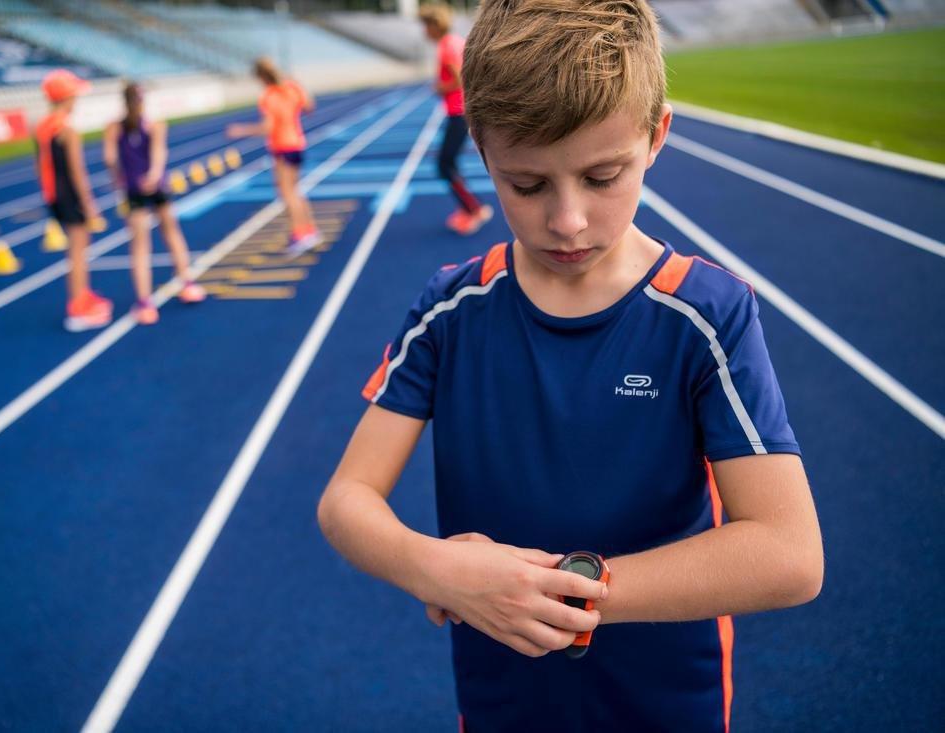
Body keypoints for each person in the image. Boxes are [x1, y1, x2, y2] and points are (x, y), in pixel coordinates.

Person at [317, 2, 824, 731]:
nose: (568, 220)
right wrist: (436, 568)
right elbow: (346, 499)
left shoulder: (706, 312)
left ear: (657, 136)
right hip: (501, 700)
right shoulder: (450, 309)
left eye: (602, 176)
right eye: (526, 185)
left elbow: (790, 551)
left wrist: (566, 590)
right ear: (484, 154)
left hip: (664, 704)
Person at [102, 82, 206, 326]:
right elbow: (159, 154)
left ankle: (145, 303)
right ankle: (187, 284)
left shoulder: (114, 128)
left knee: (140, 246)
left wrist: (119, 177)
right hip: (157, 186)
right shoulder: (155, 125)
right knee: (172, 233)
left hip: (133, 189)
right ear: (143, 101)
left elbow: (109, 158)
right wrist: (154, 175)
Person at [35, 69, 113, 332]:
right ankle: (78, 308)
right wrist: (90, 205)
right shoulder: (67, 131)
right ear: (67, 98)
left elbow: (42, 167)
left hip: (55, 196)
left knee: (76, 251)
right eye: (75, 96)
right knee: (78, 253)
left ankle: (82, 297)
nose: (77, 101)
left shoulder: (43, 127)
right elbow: (78, 172)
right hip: (70, 196)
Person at [226, 57, 321, 257]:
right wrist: (298, 86)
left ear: (260, 77)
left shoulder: (268, 96)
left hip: (282, 147)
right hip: (297, 143)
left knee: (288, 194)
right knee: (295, 191)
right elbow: (310, 107)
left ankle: (299, 235)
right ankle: (310, 230)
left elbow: (267, 127)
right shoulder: (291, 88)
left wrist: (241, 130)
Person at [418, 3, 493, 236]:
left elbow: (460, 78)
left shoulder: (446, 46)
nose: (423, 32)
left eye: (425, 26)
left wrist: (440, 86)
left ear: (433, 25)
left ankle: (473, 210)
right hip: (460, 111)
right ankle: (473, 207)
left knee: (444, 165)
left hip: (458, 112)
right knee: (449, 164)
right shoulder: (455, 41)